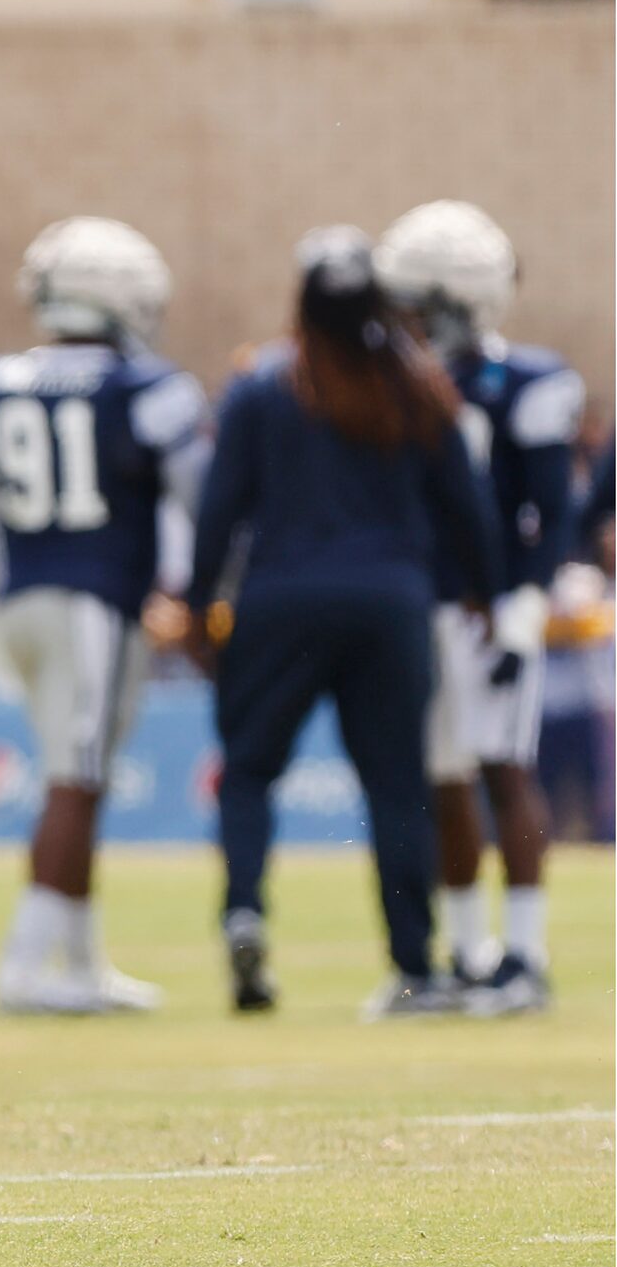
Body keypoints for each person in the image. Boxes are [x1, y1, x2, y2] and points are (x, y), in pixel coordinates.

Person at [168, 228, 499, 1021]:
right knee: (394, 785)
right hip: (389, 602)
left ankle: (244, 913)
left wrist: (193, 605)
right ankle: (413, 966)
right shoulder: (414, 386)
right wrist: (484, 590)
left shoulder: (260, 388)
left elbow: (220, 508)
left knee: (249, 772)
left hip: (278, 600)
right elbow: (467, 506)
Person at [0, 219, 209, 1014]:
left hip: (22, 600)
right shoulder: (147, 387)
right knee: (76, 778)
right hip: (90, 604)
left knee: (76, 772)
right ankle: (23, 967)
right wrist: (198, 584)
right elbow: (197, 498)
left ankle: (83, 963)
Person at [374, 200, 583, 1014]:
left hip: (485, 605)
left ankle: (523, 958)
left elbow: (548, 508)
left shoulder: (525, 380)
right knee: (442, 781)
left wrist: (525, 596)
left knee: (502, 766)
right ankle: (466, 954)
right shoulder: (391, 383)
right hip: (419, 599)